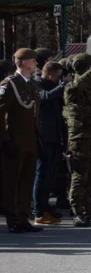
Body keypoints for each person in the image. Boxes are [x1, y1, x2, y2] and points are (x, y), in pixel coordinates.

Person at [62, 54, 91, 227]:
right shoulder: (72, 88)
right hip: (80, 139)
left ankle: (88, 210)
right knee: (79, 177)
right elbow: (78, 85)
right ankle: (78, 212)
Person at [2, 49, 44, 232]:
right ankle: (12, 219)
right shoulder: (9, 84)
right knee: (12, 181)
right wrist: (4, 139)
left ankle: (23, 217)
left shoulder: (31, 84)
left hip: (30, 141)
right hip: (14, 141)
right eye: (34, 61)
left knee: (26, 180)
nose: (36, 64)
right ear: (25, 63)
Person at [32, 61, 66, 225]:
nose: (59, 80)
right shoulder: (36, 83)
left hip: (54, 136)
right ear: (52, 74)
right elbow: (45, 97)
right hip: (43, 137)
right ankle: (38, 211)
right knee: (41, 176)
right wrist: (62, 86)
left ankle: (44, 208)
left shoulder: (50, 85)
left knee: (49, 176)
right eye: (58, 77)